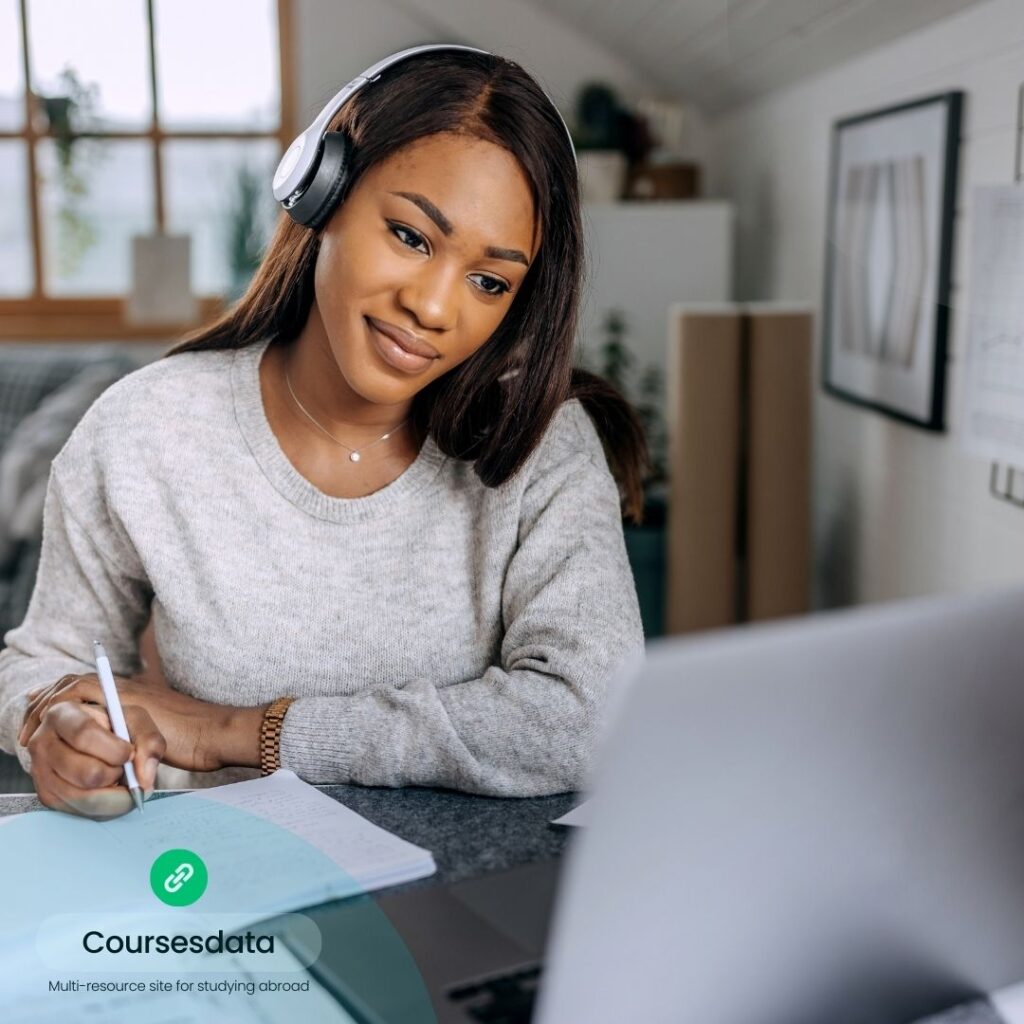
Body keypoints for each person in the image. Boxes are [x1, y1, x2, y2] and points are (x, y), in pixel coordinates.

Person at [0, 47, 646, 819]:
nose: (435, 309)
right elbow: (47, 662)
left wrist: (237, 734)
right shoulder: (147, 429)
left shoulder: (544, 442)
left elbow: (592, 720)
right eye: (411, 236)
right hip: (220, 892)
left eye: (489, 281)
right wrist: (52, 726)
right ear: (322, 196)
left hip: (470, 905)